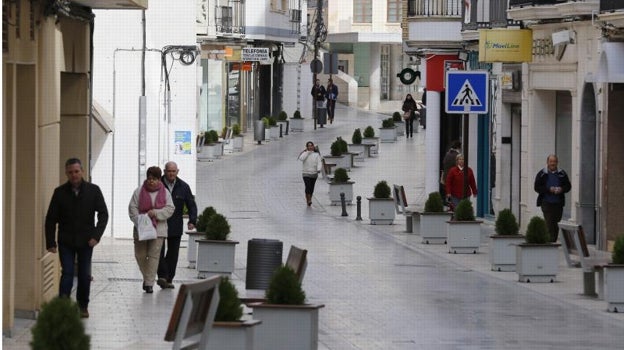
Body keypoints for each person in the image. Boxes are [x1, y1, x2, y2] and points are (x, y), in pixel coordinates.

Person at [45, 158, 109, 318]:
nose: (74, 175)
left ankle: (83, 306)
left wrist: (96, 236)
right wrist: (50, 242)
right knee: (67, 272)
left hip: (87, 241)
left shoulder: (93, 191)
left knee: (84, 274)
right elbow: (51, 218)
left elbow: (103, 214)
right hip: (66, 240)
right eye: (70, 172)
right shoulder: (59, 193)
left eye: (76, 171)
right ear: (66, 173)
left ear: (82, 171)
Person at [128, 166, 175, 293]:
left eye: (154, 179)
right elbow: (132, 208)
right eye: (149, 178)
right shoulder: (139, 191)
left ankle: (149, 284)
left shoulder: (165, 192)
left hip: (159, 230)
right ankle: (147, 278)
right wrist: (141, 218)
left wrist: (156, 213)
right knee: (140, 255)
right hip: (141, 229)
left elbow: (170, 209)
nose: (151, 181)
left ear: (159, 179)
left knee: (154, 256)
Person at [157, 161, 198, 289]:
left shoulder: (183, 187)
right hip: (159, 224)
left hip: (175, 225)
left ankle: (169, 279)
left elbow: (191, 205)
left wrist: (192, 220)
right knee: (158, 251)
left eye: (173, 171)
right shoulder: (158, 185)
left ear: (177, 172)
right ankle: (162, 276)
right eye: (169, 171)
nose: (171, 174)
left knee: (173, 254)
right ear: (164, 171)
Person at [534, 154, 571, 242]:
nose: (552, 163)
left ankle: (553, 240)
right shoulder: (542, 173)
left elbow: (568, 186)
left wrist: (561, 189)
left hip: (558, 203)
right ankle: (549, 241)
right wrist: (548, 189)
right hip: (546, 202)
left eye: (554, 161)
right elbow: (537, 187)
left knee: (556, 223)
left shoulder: (562, 173)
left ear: (557, 163)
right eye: (551, 161)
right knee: (549, 222)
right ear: (547, 162)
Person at [298, 141, 323, 206]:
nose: (310, 147)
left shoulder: (316, 154)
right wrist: (307, 152)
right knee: (308, 186)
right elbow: (301, 158)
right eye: (308, 146)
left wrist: (318, 169)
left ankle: (309, 199)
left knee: (311, 188)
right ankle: (309, 200)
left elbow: (319, 162)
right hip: (306, 173)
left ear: (313, 146)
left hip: (314, 174)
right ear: (307, 147)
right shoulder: (305, 153)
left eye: (311, 145)